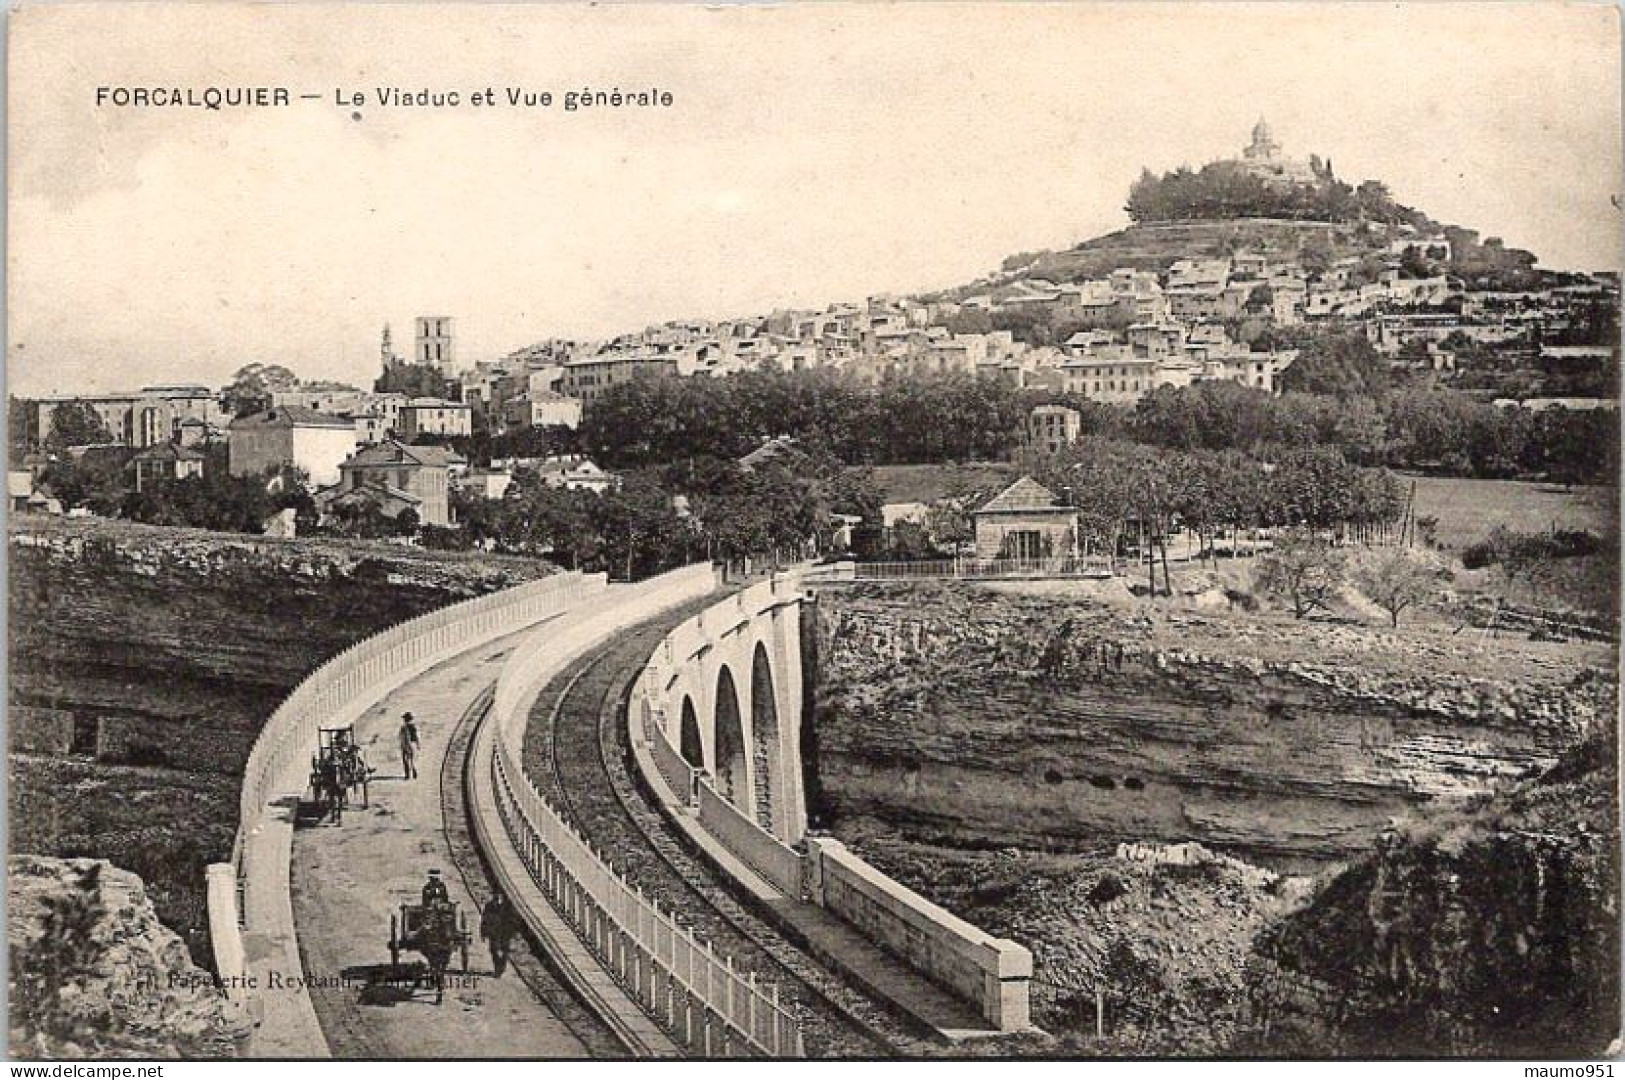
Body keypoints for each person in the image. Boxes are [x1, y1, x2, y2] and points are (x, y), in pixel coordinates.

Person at [480, 892, 519, 977]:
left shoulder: (509, 906)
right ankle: (498, 968)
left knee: (505, 950)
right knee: (493, 950)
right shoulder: (489, 906)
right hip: (493, 932)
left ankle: (501, 967)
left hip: (505, 932)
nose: (497, 898)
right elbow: (484, 919)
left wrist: (513, 932)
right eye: (495, 896)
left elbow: (514, 920)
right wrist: (483, 932)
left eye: (498, 896)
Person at [399, 712, 420, 779]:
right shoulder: (414, 726)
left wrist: (403, 746)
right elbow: (417, 736)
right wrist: (418, 744)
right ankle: (414, 772)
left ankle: (407, 775)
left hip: (406, 744)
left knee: (406, 760)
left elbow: (403, 737)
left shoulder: (404, 727)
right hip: (413, 744)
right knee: (412, 759)